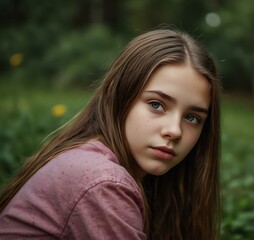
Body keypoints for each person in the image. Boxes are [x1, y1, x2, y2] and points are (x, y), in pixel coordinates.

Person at [0, 28, 222, 240]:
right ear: (117, 94)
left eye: (192, 117)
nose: (174, 131)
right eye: (156, 104)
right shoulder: (104, 183)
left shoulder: (101, 164)